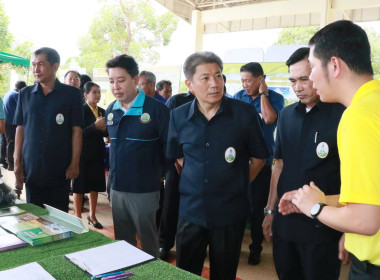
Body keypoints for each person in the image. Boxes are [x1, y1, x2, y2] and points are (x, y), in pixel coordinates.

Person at [279, 20, 380, 280]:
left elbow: (366, 220)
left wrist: (315, 209)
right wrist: (317, 199)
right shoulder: (374, 103)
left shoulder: (357, 117)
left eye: (311, 68)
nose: (309, 79)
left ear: (334, 65)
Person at [167, 51, 268, 279]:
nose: (215, 84)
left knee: (224, 271)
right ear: (190, 84)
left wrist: (237, 182)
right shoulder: (178, 116)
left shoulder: (244, 113)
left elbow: (259, 158)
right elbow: (178, 157)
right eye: (205, 78)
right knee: (186, 272)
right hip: (191, 212)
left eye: (219, 76)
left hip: (229, 212)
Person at [262, 47, 346, 280]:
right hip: (286, 223)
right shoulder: (287, 116)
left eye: (304, 79)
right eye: (292, 81)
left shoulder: (343, 115)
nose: (297, 87)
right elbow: (279, 165)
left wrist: (348, 231)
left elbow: (353, 178)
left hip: (323, 228)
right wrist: (270, 211)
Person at [105, 54, 169, 257]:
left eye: (121, 80)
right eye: (111, 81)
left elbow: (170, 148)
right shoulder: (111, 111)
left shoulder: (157, 110)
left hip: (144, 190)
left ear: (135, 80)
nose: (115, 86)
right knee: (123, 243)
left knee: (148, 243)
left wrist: (158, 175)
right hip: (117, 188)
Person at [14, 47, 84, 212]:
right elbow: (20, 128)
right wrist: (17, 161)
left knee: (58, 216)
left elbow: (77, 131)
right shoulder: (25, 94)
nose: (35, 70)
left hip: (60, 167)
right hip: (32, 167)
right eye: (33, 65)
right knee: (34, 216)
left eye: (41, 64)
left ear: (55, 66)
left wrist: (74, 163)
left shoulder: (72, 95)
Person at [233, 62, 284, 265]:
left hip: (262, 162)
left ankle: (256, 248)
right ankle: (234, 246)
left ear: (260, 79)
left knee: (256, 209)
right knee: (237, 206)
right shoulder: (238, 96)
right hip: (240, 161)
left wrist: (263, 95)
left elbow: (270, 119)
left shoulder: (276, 98)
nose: (244, 84)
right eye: (242, 80)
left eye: (248, 80)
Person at [158, 89, 195, 261]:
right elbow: (168, 132)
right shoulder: (176, 101)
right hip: (177, 163)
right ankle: (164, 244)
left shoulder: (219, 103)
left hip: (202, 165)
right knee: (170, 204)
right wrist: (176, 156)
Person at [73, 81, 107, 228]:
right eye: (94, 92)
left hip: (97, 153)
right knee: (79, 187)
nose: (97, 95)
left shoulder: (102, 111)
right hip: (82, 154)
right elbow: (78, 133)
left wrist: (105, 129)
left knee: (95, 186)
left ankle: (92, 215)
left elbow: (105, 133)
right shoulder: (80, 110)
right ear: (86, 94)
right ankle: (77, 217)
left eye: (99, 92)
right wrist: (95, 126)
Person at [2, 81, 26, 171]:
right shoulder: (16, 94)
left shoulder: (9, 92)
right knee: (11, 142)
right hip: (10, 122)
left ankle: (2, 160)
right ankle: (10, 164)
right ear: (21, 89)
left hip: (4, 120)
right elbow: (22, 107)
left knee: (4, 141)